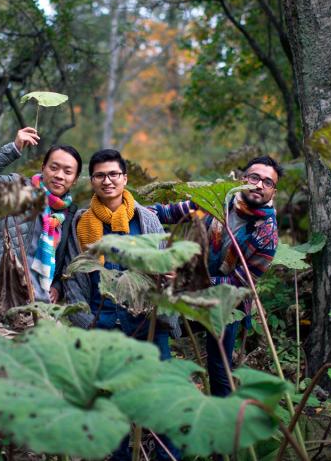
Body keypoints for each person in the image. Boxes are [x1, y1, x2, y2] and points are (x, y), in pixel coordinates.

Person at [56, 149, 180, 461]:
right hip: (104, 324)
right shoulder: (80, 223)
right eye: (100, 175)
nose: (107, 181)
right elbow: (73, 274)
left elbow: (166, 266)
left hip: (148, 323)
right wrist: (87, 324)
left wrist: (168, 274)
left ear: (124, 178)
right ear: (92, 181)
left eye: (114, 174)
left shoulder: (147, 219)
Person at [150, 156, 282, 396]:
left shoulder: (267, 233)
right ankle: (171, 395)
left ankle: (223, 421)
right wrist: (134, 211)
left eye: (267, 182)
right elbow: (171, 213)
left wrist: (192, 281)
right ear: (244, 178)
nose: (259, 185)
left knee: (219, 368)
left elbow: (241, 281)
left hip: (227, 303)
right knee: (158, 326)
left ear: (273, 190)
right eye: (254, 177)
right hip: (185, 288)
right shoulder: (220, 199)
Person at [0, 127, 82, 306]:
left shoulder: (69, 215)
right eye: (54, 167)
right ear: (43, 168)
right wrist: (14, 148)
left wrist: (57, 286)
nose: (59, 175)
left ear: (74, 179)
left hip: (39, 302)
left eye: (67, 172)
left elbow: (66, 259)